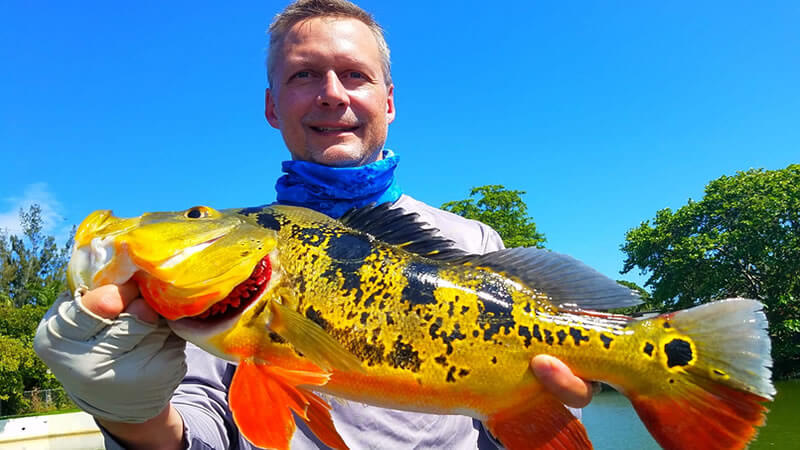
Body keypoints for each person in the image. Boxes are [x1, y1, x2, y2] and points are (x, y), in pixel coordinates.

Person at [34, 1, 593, 448]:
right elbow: (204, 430)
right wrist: (133, 419)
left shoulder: (472, 241)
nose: (332, 94)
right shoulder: (222, 281)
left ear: (388, 101)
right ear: (273, 106)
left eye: (355, 75)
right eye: (305, 75)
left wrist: (544, 411)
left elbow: (510, 427)